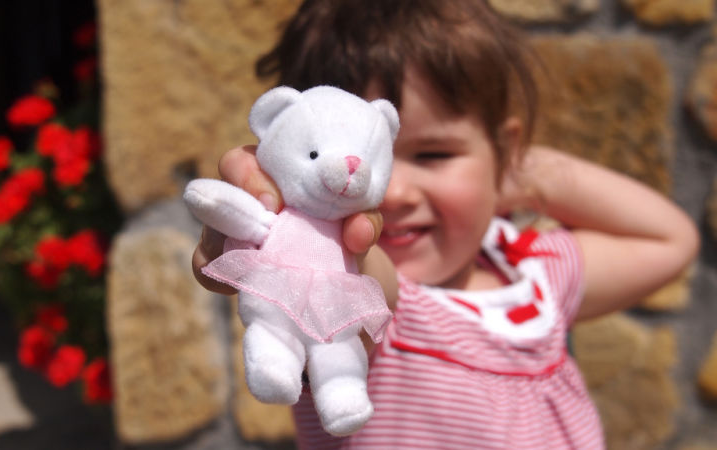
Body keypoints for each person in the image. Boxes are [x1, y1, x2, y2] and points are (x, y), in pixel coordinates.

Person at [191, 0, 700, 448]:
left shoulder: (535, 276)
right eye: (375, 161)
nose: (393, 191)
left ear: (503, 151)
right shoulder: (370, 301)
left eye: (434, 154)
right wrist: (300, 230)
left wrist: (517, 170)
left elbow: (670, 240)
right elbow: (364, 273)